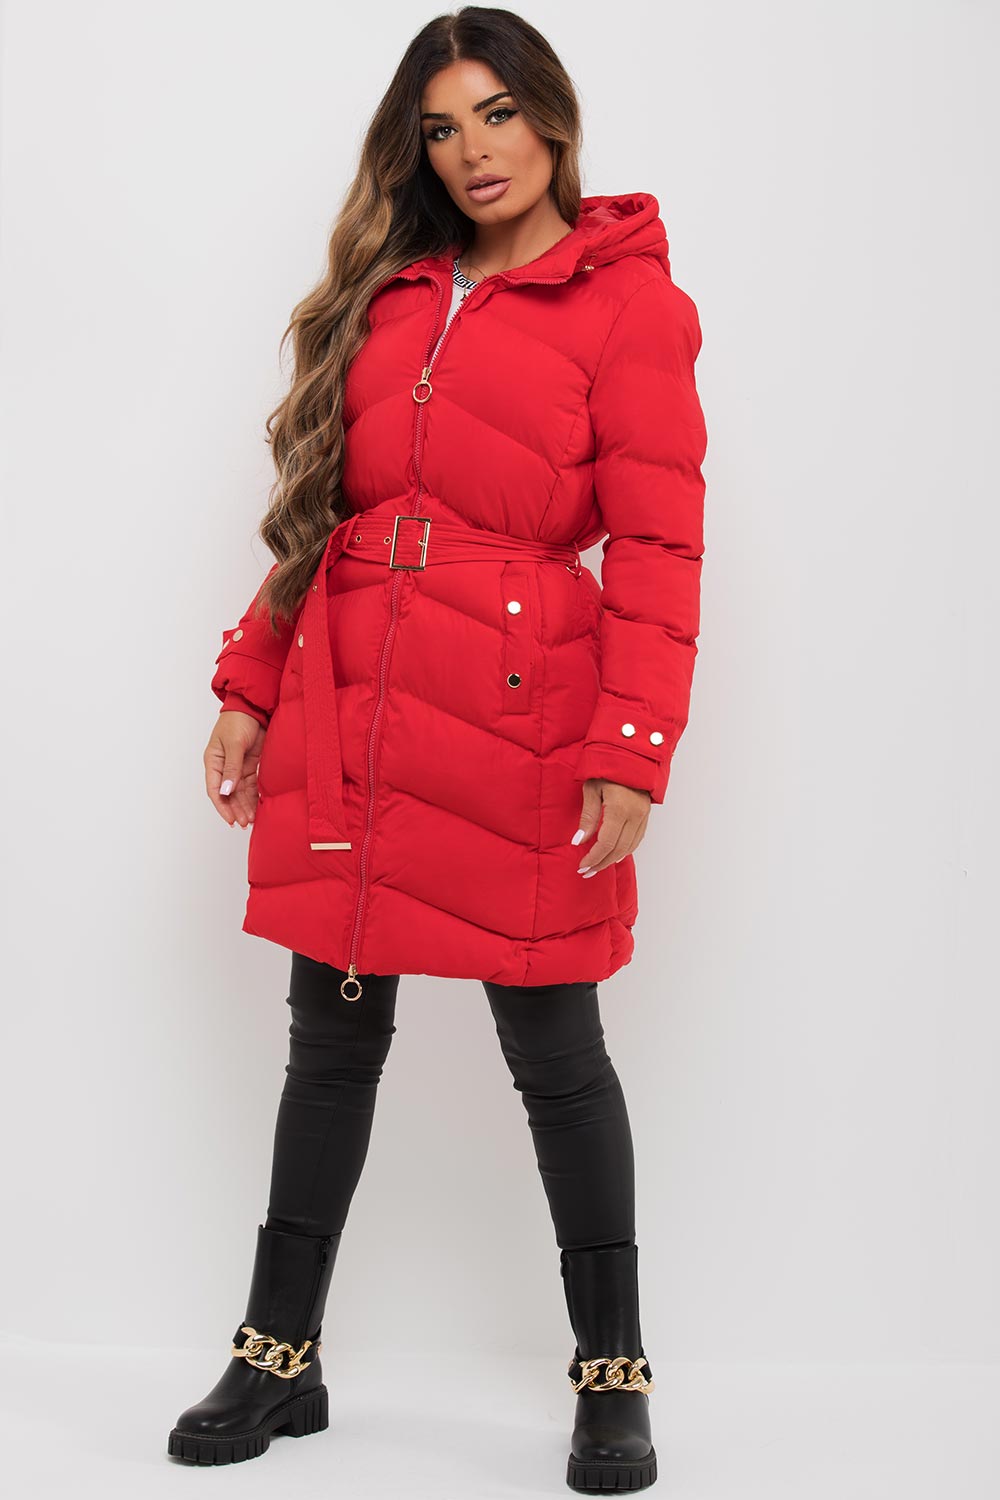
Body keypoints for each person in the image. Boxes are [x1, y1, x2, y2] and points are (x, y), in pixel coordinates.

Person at [167, 6, 706, 1491]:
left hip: (522, 725)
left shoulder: (629, 305)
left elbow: (660, 546)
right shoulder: (395, 296)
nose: (474, 151)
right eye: (442, 126)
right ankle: (278, 1356)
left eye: (497, 114)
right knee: (330, 1044)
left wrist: (631, 747)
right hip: (353, 712)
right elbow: (329, 516)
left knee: (557, 1054)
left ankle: (613, 1371)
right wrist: (250, 681)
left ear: (553, 116)